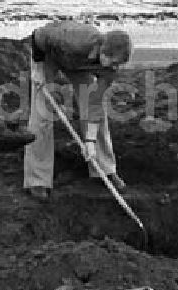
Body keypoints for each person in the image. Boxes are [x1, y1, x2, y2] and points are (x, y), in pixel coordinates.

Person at [24, 22, 131, 199]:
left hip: (80, 65)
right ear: (103, 51)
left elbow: (94, 105)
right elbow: (38, 37)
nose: (113, 68)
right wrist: (37, 69)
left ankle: (104, 170)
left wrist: (89, 141)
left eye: (117, 65)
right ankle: (37, 180)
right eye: (112, 62)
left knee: (97, 112)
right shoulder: (74, 39)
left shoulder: (110, 68)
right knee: (41, 115)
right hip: (48, 54)